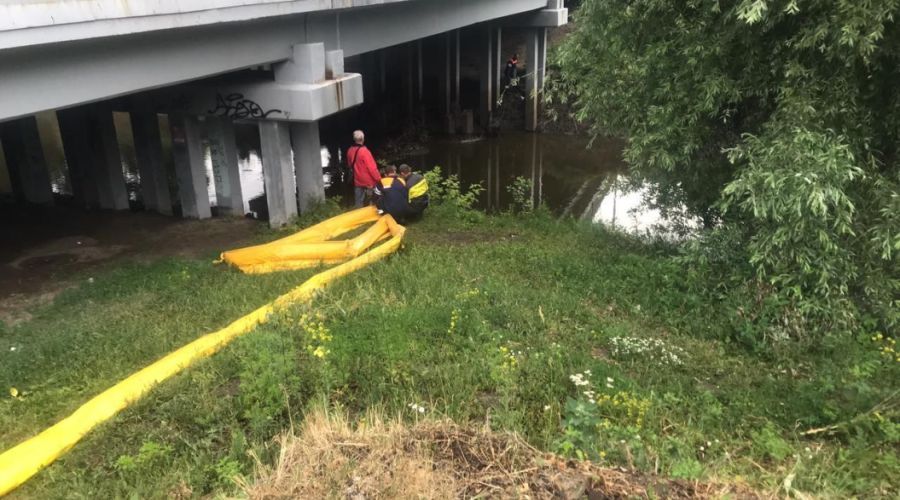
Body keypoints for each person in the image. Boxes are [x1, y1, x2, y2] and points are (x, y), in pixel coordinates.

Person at [346, 130, 381, 207]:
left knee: (358, 201)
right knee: (372, 199)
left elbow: (349, 165)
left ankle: (359, 214)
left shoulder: (350, 150)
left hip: (357, 180)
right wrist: (378, 179)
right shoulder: (365, 151)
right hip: (368, 181)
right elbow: (372, 168)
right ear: (363, 139)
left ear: (354, 139)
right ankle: (371, 213)